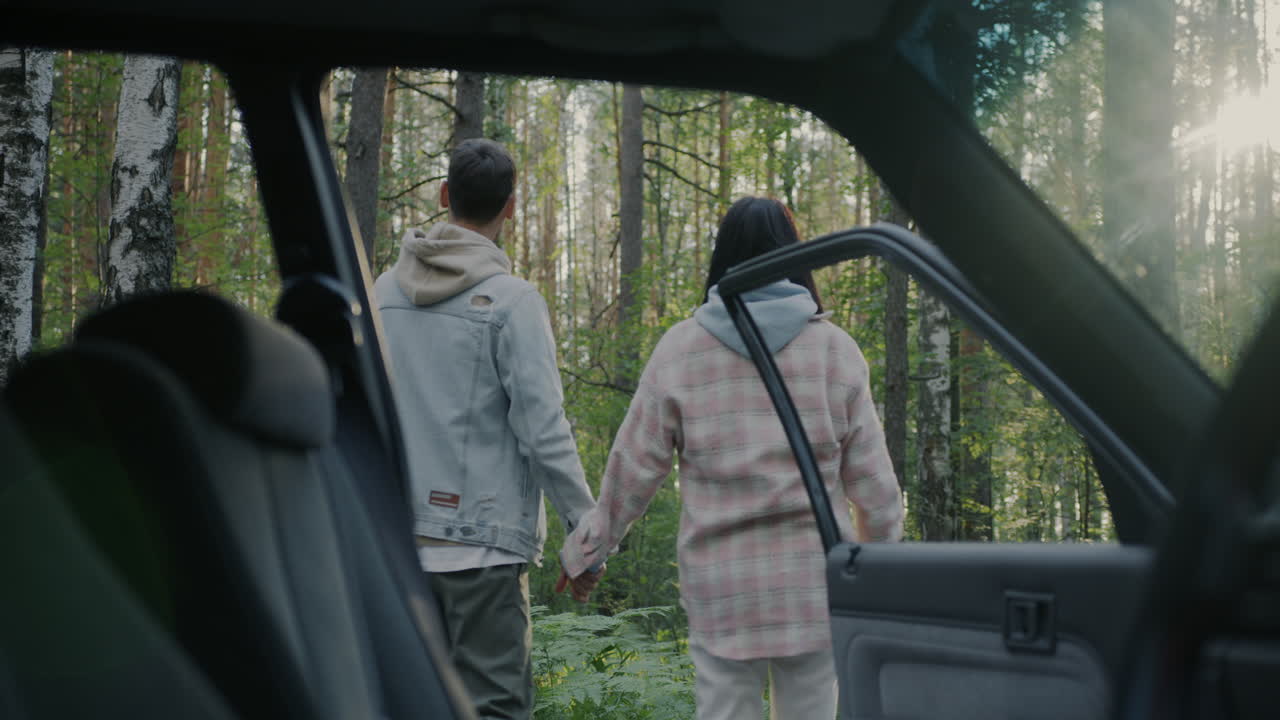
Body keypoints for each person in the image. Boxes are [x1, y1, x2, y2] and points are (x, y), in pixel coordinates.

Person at [558, 197, 904, 720]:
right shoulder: (835, 351)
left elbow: (631, 472)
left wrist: (587, 552)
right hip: (811, 590)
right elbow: (876, 493)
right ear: (795, 256)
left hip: (722, 594)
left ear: (723, 258)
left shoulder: (682, 349)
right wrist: (877, 578)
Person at [374, 138, 600, 720]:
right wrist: (589, 539)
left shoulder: (378, 294)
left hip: (395, 547)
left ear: (445, 195)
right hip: (483, 551)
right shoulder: (513, 301)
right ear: (512, 207)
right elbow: (544, 430)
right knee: (494, 711)